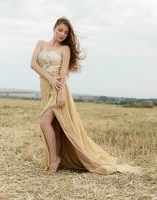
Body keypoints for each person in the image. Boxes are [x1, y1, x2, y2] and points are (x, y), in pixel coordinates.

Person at [30, 16, 140, 175]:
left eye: (66, 33)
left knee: (44, 122)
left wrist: (61, 94)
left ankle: (55, 159)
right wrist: (49, 79)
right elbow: (33, 64)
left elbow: (63, 73)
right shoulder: (41, 43)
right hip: (45, 87)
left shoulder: (65, 49)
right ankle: (57, 157)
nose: (62, 34)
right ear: (54, 28)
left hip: (59, 89)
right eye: (60, 30)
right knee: (55, 125)